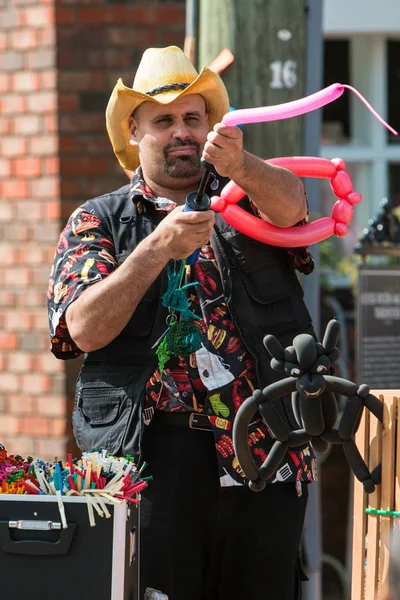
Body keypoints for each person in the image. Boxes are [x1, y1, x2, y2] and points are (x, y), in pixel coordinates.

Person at [48, 45, 317, 600]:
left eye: (193, 118)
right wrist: (152, 253)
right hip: (152, 460)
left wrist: (241, 165)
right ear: (135, 130)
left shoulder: (245, 196)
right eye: (164, 120)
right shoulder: (97, 220)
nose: (181, 132)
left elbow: (294, 209)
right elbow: (79, 331)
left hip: (263, 447)